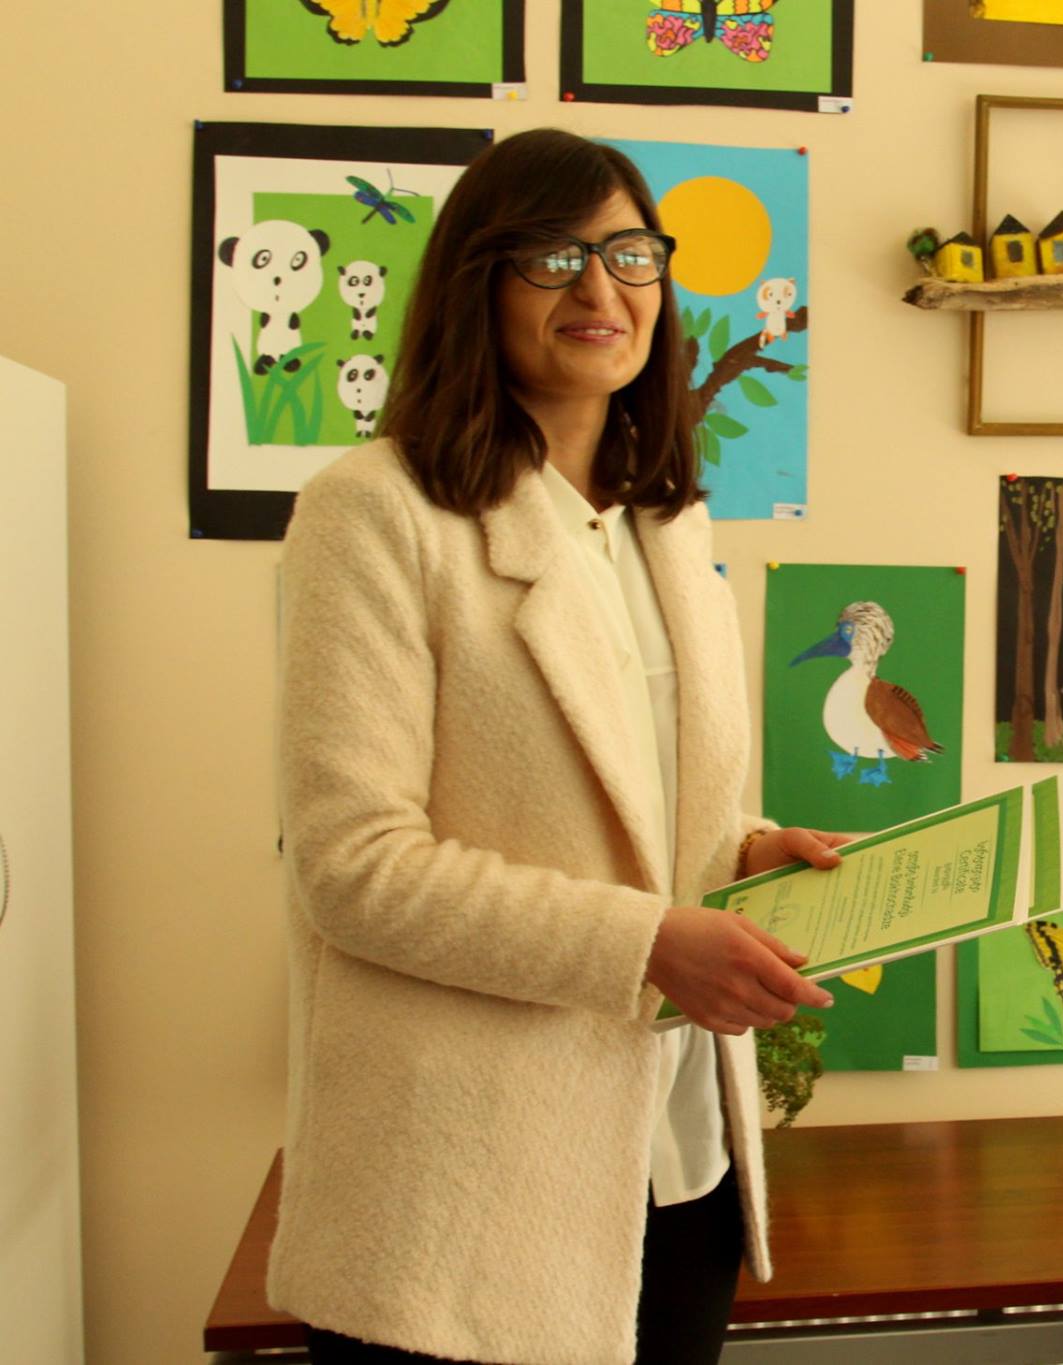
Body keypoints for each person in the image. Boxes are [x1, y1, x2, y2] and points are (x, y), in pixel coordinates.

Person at [269, 128, 844, 1365]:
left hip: (677, 1165)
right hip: (461, 1196)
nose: (601, 289)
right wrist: (646, 943)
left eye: (630, 254)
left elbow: (644, 814)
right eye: (552, 255)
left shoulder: (666, 523)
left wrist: (748, 850)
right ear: (476, 281)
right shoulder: (371, 512)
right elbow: (351, 867)